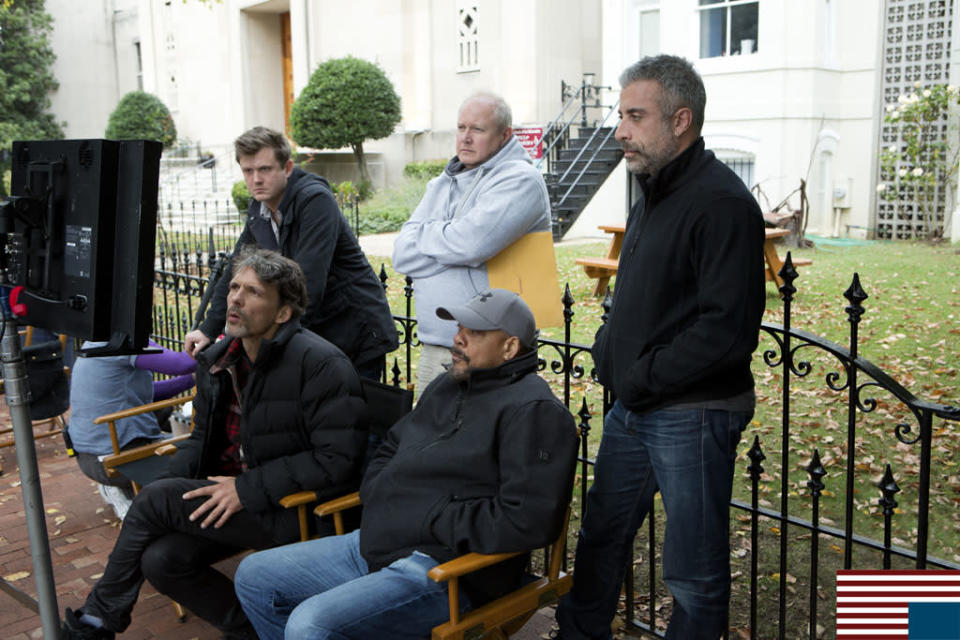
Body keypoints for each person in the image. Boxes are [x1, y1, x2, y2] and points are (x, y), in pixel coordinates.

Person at [556, 55, 766, 639]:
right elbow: (638, 293)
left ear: (680, 120)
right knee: (601, 538)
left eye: (633, 115)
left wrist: (641, 375)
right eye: (621, 114)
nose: (619, 129)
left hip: (693, 413)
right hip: (636, 407)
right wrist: (608, 346)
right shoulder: (652, 189)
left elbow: (726, 332)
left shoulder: (721, 203)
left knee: (693, 576)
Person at [234, 289, 578, 640]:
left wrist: (429, 517)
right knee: (255, 576)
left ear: (510, 348)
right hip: (376, 543)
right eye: (459, 327)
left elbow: (527, 521)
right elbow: (393, 443)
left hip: (445, 572)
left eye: (474, 332)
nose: (458, 337)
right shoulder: (450, 385)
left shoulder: (535, 413)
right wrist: (381, 491)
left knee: (310, 624)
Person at [61, 249, 368, 640]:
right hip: (236, 496)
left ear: (283, 313)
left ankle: (96, 621)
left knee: (154, 502)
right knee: (162, 560)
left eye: (253, 292)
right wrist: (170, 487)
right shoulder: (220, 361)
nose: (236, 298)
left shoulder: (321, 365)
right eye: (235, 286)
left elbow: (338, 461)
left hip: (301, 508)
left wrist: (245, 489)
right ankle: (257, 631)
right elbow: (201, 440)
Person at [184, 126, 397, 380]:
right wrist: (208, 329)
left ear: (287, 168)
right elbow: (236, 268)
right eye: (248, 171)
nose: (256, 180)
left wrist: (268, 338)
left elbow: (308, 283)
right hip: (313, 334)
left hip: (354, 332)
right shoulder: (260, 210)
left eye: (264, 169)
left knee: (346, 416)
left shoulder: (315, 201)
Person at [392, 92, 551, 390]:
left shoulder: (521, 179)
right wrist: (452, 236)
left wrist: (431, 235)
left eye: (477, 129)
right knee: (429, 435)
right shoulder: (440, 183)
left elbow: (472, 245)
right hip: (435, 344)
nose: (465, 138)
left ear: (505, 135)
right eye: (461, 128)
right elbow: (401, 254)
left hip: (491, 349)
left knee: (484, 435)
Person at [68, 339, 196, 520]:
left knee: (163, 413)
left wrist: (190, 380)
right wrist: (222, 343)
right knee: (195, 463)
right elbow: (184, 363)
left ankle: (120, 488)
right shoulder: (123, 341)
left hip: (87, 455)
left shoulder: (96, 342)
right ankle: (135, 497)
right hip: (113, 458)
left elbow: (140, 392)